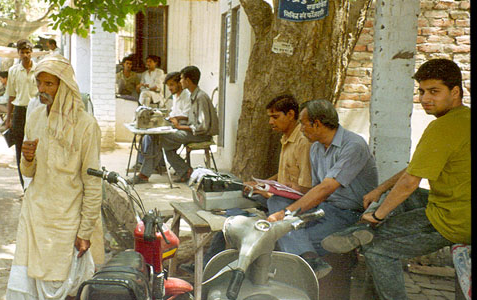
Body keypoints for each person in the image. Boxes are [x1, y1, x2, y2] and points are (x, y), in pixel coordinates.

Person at [321, 59, 470, 300]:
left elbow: (410, 182)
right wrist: (379, 190)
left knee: (377, 250)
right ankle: (364, 229)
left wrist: (378, 215)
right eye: (422, 91)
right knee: (397, 201)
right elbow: (414, 169)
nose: (425, 99)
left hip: (455, 220)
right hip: (455, 205)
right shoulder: (463, 119)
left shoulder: (443, 127)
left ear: (456, 92)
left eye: (434, 91)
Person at [6, 54, 102, 300]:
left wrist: (85, 229)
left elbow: (93, 182)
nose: (43, 89)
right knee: (23, 281)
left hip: (68, 215)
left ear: (65, 86)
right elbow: (29, 173)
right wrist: (27, 158)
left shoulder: (86, 125)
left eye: (50, 83)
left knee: (71, 279)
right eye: (40, 83)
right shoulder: (35, 117)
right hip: (35, 213)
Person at [181, 94, 313, 274]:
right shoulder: (286, 137)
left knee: (240, 214)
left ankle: (208, 266)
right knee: (231, 215)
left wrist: (269, 192)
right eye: (269, 117)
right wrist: (263, 183)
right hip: (276, 196)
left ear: (291, 114)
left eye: (275, 117)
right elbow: (284, 175)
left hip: (287, 203)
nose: (270, 122)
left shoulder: (302, 142)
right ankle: (207, 264)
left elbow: (305, 188)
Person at [265, 99, 379, 279]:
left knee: (285, 234)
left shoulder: (354, 145)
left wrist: (286, 213)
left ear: (316, 123)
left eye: (303, 124)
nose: (301, 129)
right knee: (275, 200)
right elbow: (318, 188)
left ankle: (308, 260)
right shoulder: (316, 148)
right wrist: (295, 189)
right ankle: (308, 257)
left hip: (348, 212)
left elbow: (326, 188)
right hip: (324, 208)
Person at [130, 65, 218, 184]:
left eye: (181, 79)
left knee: (158, 138)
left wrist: (179, 127)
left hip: (200, 135)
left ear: (187, 80)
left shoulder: (200, 97)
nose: (181, 82)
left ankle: (144, 175)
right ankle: (186, 171)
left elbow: (203, 127)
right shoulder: (194, 95)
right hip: (192, 131)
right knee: (162, 143)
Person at [135, 71, 191, 171]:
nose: (169, 88)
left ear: (179, 83)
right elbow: (173, 112)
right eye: (168, 85)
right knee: (148, 134)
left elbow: (187, 116)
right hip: (175, 126)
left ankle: (146, 169)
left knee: (155, 138)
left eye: (172, 85)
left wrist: (173, 119)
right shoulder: (175, 96)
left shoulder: (187, 96)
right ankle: (149, 165)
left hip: (183, 128)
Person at [5, 39, 38, 190]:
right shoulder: (13, 71)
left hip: (36, 112)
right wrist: (8, 118)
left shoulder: (38, 70)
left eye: (28, 52)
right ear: (18, 53)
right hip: (19, 112)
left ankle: (35, 185)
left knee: (36, 146)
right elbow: (11, 96)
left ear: (32, 53)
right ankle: (24, 186)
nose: (25, 55)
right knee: (20, 149)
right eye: (22, 52)